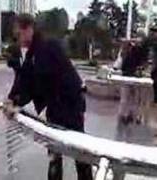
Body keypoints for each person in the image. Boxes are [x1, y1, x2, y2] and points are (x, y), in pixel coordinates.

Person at [5, 14, 93, 180]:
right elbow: (25, 77)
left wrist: (17, 101)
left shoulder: (46, 47)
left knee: (78, 150)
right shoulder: (34, 51)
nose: (17, 39)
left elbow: (35, 81)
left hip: (70, 104)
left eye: (18, 34)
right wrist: (12, 98)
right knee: (54, 152)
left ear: (29, 29)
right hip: (56, 105)